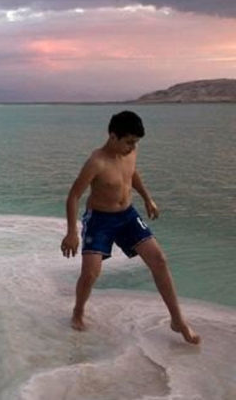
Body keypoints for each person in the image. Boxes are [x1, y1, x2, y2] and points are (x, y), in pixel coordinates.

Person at [60, 110, 200, 344]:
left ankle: (178, 320)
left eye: (135, 142)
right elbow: (73, 196)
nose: (132, 147)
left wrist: (147, 198)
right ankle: (78, 311)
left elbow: (131, 174)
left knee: (159, 260)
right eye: (128, 142)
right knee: (91, 273)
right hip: (100, 220)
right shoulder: (96, 162)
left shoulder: (131, 151)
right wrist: (71, 233)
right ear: (113, 136)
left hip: (127, 215)